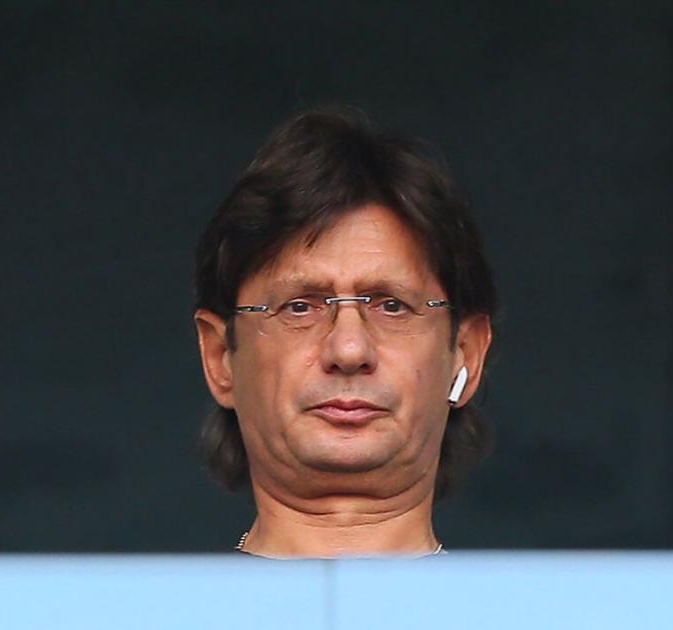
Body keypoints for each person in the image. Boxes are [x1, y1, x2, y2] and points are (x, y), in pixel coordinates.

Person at [192, 107, 498, 558]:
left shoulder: (556, 604)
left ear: (465, 354)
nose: (350, 349)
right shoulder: (132, 604)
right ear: (220, 358)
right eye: (300, 307)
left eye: (392, 305)